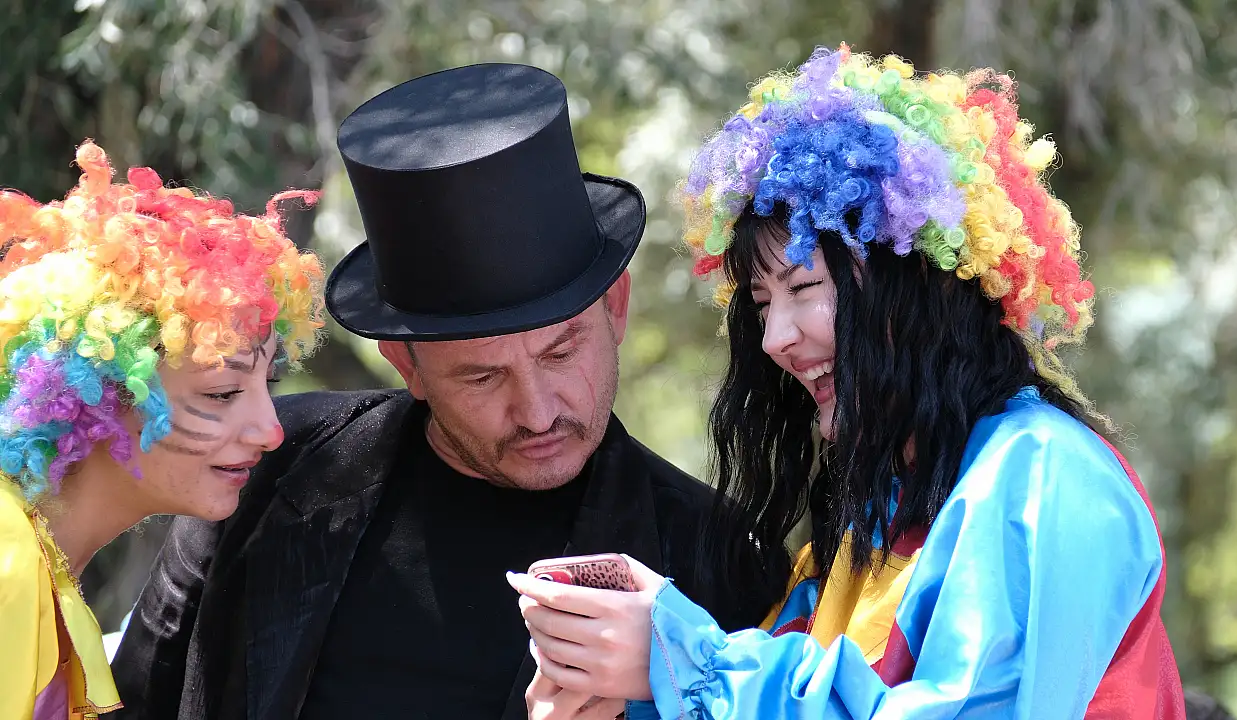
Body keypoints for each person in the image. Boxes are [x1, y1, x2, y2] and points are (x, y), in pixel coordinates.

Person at [510, 45, 1188, 718]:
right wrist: (627, 694)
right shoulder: (872, 513)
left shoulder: (1045, 475)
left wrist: (684, 665)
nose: (776, 339)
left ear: (919, 284)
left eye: (804, 286)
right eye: (761, 302)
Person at [109, 63, 784, 720]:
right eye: (482, 376)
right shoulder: (266, 468)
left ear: (616, 308)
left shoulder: (717, 558)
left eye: (560, 352)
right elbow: (134, 701)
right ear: (405, 362)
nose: (538, 410)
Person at [0, 140, 323, 719]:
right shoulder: (8, 559)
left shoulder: (42, 565)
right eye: (222, 393)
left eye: (265, 385)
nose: (271, 432)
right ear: (90, 393)